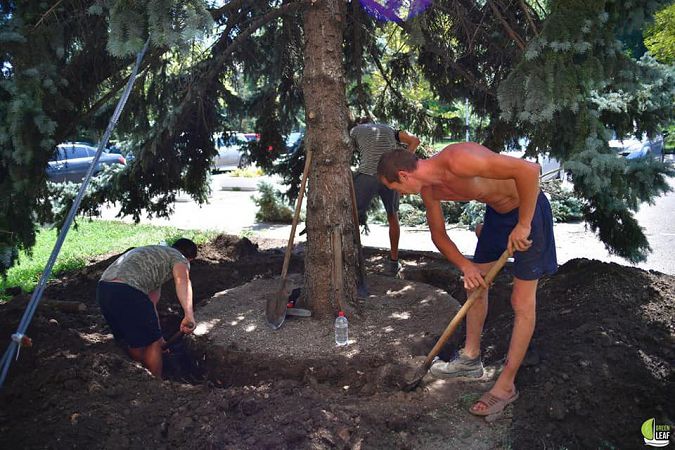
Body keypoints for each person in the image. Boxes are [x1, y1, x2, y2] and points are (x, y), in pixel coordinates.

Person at [377, 143, 557, 416]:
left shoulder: (458, 160)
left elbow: (530, 171)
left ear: (403, 176)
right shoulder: (430, 190)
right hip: (497, 216)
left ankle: (506, 385)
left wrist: (523, 224)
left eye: (394, 188)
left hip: (529, 211)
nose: (397, 194)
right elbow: (438, 235)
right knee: (475, 285)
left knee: (521, 301)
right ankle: (470, 359)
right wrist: (466, 267)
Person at [97, 238, 198, 378]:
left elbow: (150, 305)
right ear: (190, 258)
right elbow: (183, 281)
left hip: (104, 290)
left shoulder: (153, 255)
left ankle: (141, 382)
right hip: (129, 291)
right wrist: (188, 314)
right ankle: (155, 386)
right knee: (152, 344)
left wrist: (160, 338)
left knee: (134, 341)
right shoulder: (179, 258)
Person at [350, 120, 420, 275]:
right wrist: (402, 164)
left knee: (351, 215)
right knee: (392, 215)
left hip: (368, 175)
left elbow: (347, 153)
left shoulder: (354, 131)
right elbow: (415, 141)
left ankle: (351, 259)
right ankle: (394, 262)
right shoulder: (390, 130)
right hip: (391, 175)